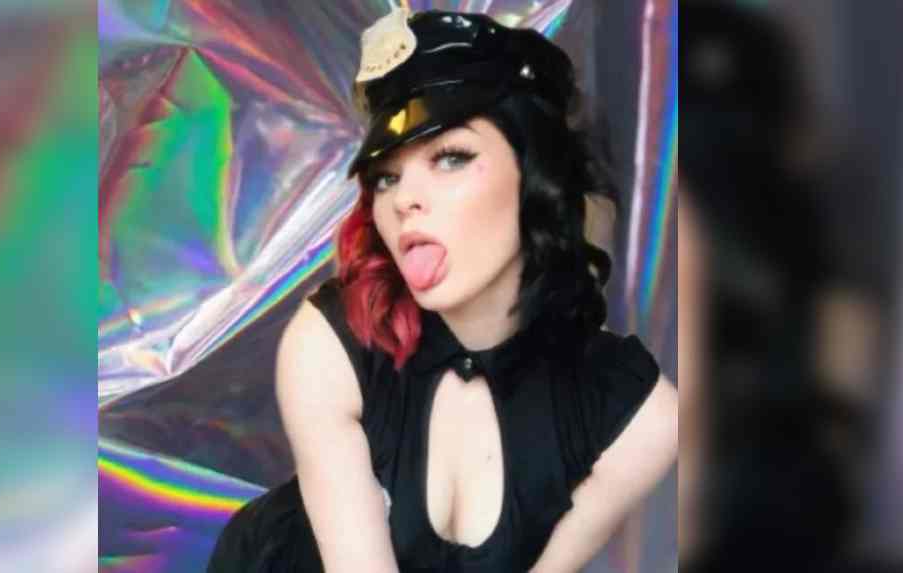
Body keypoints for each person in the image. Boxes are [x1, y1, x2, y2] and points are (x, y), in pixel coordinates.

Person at [207, 7, 677, 572]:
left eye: (451, 157)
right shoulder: (328, 346)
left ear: (535, 176)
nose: (404, 199)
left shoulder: (640, 418)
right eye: (387, 177)